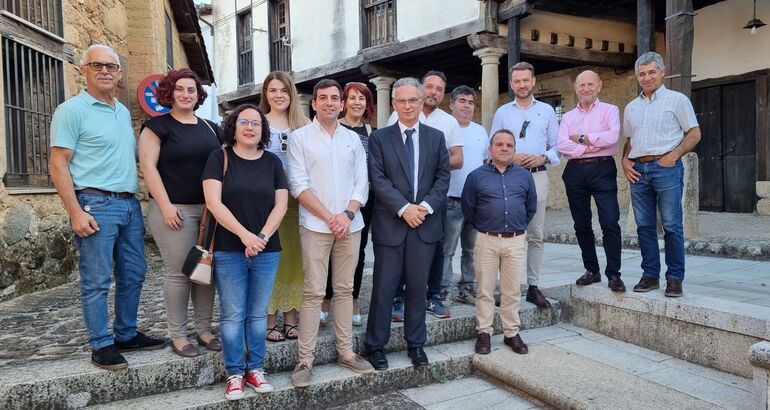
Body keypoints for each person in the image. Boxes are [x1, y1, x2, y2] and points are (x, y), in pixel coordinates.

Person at [49, 44, 165, 370]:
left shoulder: (122, 110)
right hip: (94, 204)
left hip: (128, 205)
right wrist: (75, 211)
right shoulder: (71, 111)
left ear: (119, 74)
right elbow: (58, 164)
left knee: (134, 273)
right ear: (83, 70)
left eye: (110, 66)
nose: (104, 70)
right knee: (97, 279)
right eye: (97, 65)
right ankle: (101, 345)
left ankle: (126, 333)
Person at [287, 79, 373, 387]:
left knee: (345, 290)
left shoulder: (352, 139)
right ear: (314, 104)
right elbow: (298, 184)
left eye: (334, 98)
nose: (329, 103)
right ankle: (305, 359)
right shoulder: (299, 138)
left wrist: (347, 213)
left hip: (351, 224)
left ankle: (346, 352)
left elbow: (362, 182)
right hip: (315, 225)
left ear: (341, 103)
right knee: (312, 292)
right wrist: (329, 217)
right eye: (323, 98)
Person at [202, 104, 288, 400]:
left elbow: (281, 205)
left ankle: (256, 369)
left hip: (267, 250)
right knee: (233, 314)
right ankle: (235, 373)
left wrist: (261, 237)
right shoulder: (219, 158)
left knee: (257, 314)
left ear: (263, 130)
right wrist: (245, 236)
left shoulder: (273, 162)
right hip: (229, 248)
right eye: (244, 122)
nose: (250, 127)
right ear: (233, 127)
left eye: (256, 123)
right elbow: (215, 203)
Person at [365, 77, 450, 371]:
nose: (408, 106)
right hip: (391, 225)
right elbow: (377, 179)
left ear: (421, 101)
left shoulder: (436, 137)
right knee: (384, 289)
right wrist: (403, 209)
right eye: (401, 101)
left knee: (418, 288)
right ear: (394, 104)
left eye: (413, 100)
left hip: (424, 226)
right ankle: (375, 346)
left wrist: (423, 209)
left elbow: (442, 179)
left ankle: (416, 344)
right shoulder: (379, 138)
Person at [138, 68, 222, 358]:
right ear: (169, 93)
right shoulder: (156, 127)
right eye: (180, 89)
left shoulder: (212, 127)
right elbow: (148, 168)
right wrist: (164, 205)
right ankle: (178, 335)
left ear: (199, 95)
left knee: (205, 271)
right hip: (174, 210)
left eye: (192, 90)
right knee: (179, 274)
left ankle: (205, 330)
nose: (186, 94)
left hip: (210, 211)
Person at [621, 52, 701, 297]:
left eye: (651, 72)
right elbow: (630, 140)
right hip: (638, 170)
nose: (647, 77)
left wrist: (673, 156)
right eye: (642, 74)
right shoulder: (632, 107)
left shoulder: (677, 100)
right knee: (644, 226)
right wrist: (625, 160)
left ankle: (674, 278)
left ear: (662, 72)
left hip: (665, 169)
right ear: (637, 76)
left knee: (672, 225)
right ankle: (650, 275)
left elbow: (694, 133)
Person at [387, 70, 462, 319]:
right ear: (421, 90)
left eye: (439, 89)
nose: (434, 92)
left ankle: (434, 296)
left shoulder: (448, 123)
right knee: (399, 250)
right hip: (401, 201)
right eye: (430, 86)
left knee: (437, 249)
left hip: (433, 201)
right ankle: (398, 298)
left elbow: (456, 160)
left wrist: (427, 197)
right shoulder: (395, 116)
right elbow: (390, 158)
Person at [490, 62, 560, 309]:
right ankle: (508, 289)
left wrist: (543, 157)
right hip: (509, 177)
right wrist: (510, 156)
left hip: (538, 175)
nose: (521, 85)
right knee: (507, 235)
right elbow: (493, 146)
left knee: (536, 234)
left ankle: (533, 287)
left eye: (525, 80)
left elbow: (558, 146)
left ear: (533, 81)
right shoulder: (502, 113)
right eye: (517, 81)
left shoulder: (548, 111)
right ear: (512, 84)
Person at [462, 129, 536, 355]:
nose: (505, 148)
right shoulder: (476, 176)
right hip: (486, 239)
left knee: (512, 290)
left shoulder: (524, 175)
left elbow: (530, 207)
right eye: (500, 144)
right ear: (490, 148)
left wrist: (518, 225)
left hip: (515, 240)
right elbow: (469, 208)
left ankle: (511, 333)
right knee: (484, 290)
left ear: (514, 149)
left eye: (509, 145)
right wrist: (486, 226)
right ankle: (484, 332)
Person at [555, 70, 625, 293]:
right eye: (581, 85)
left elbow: (613, 137)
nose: (586, 88)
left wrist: (582, 140)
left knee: (610, 221)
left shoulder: (610, 110)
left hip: (603, 168)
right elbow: (561, 144)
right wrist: (592, 145)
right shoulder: (567, 117)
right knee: (582, 224)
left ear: (599, 86)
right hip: (575, 172)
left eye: (590, 84)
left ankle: (614, 274)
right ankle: (591, 270)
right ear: (576, 89)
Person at [259, 71, 310, 341]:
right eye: (273, 90)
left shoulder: (304, 125)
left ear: (291, 94)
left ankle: (291, 318)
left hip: (299, 200)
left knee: (295, 259)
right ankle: (269, 319)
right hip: (266, 198)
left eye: (283, 90)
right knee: (271, 258)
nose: (279, 95)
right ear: (266, 94)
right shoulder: (259, 123)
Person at [320, 82, 376, 327]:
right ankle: (326, 297)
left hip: (364, 199)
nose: (357, 103)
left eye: (362, 98)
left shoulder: (371, 131)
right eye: (352, 98)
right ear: (343, 102)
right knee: (330, 249)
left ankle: (352, 298)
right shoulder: (335, 127)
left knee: (358, 251)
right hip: (334, 197)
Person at [444, 85, 488, 305]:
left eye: (471, 102)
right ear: (451, 105)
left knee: (471, 250)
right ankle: (442, 292)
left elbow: (485, 163)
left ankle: (467, 289)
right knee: (447, 251)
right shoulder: (444, 129)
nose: (467, 106)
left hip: (475, 202)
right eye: (462, 101)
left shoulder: (480, 131)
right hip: (450, 199)